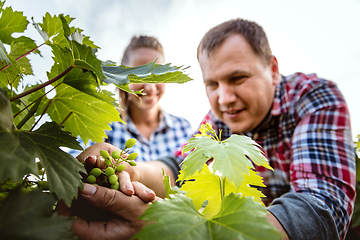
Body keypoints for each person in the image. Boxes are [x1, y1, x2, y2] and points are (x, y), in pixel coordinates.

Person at [69, 18, 357, 240]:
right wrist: (133, 170)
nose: (224, 99)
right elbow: (179, 167)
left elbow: (321, 207)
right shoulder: (218, 120)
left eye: (237, 78)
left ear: (272, 68)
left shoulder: (314, 98)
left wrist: (179, 231)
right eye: (212, 84)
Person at [69, 35, 193, 163]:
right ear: (122, 77)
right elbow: (74, 161)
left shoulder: (183, 128)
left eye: (158, 74)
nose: (150, 88)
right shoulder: (104, 123)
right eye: (139, 75)